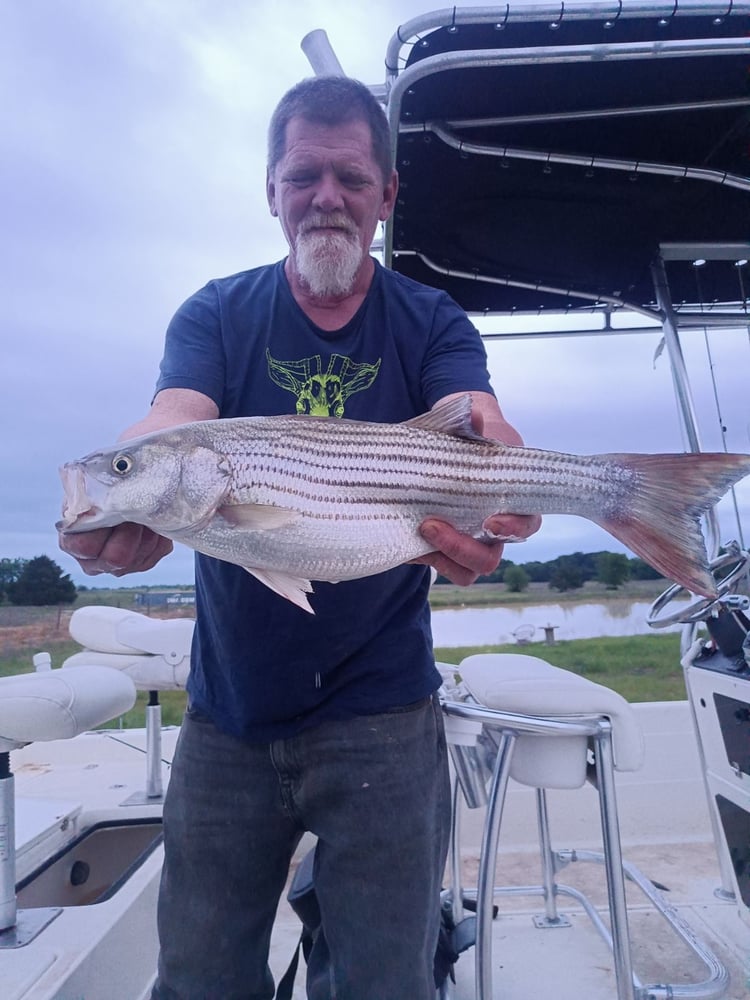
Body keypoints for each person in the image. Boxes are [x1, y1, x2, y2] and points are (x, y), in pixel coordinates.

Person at [60, 76, 540, 1000]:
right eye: (304, 175)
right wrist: (120, 484)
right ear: (271, 190)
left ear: (387, 195)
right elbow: (172, 418)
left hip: (386, 717)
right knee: (199, 979)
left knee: (386, 983)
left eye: (353, 178)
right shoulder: (216, 313)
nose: (327, 196)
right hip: (229, 713)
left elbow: (477, 419)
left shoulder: (429, 318)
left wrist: (508, 485)